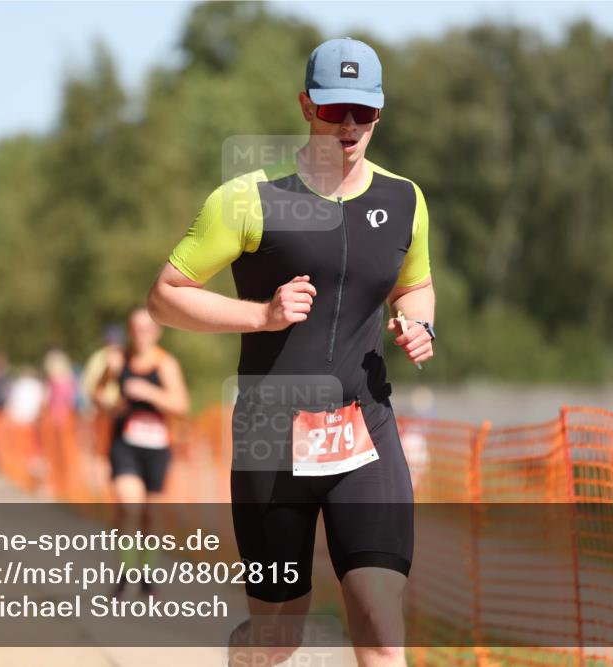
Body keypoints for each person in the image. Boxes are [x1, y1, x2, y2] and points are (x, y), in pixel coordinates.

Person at [147, 38, 435, 667]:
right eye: (335, 111)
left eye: (364, 111)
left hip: (365, 428)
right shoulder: (247, 200)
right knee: (278, 635)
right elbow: (166, 297)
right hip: (272, 438)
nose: (350, 126)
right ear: (307, 107)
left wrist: (420, 325)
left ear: (381, 113)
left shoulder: (404, 201)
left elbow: (416, 284)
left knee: (383, 626)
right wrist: (262, 315)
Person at [96, 308, 189, 596]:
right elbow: (97, 392)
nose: (141, 334)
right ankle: (126, 573)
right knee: (129, 506)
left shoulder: (165, 364)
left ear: (157, 332)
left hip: (157, 446)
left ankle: (147, 573)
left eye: (147, 329)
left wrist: (149, 393)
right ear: (129, 331)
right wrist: (111, 407)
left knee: (151, 513)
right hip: (124, 442)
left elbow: (182, 405)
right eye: (135, 328)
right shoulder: (117, 360)